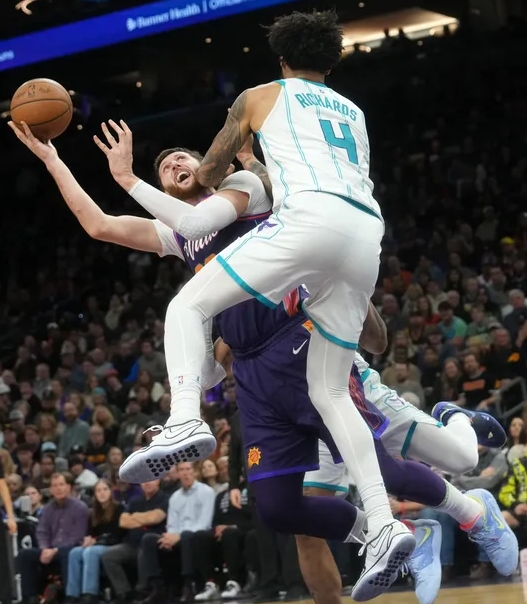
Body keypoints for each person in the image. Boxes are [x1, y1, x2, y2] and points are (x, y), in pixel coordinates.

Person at [11, 122, 407, 598]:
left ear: (209, 165)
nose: (173, 164)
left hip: (301, 339)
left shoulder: (244, 191)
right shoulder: (178, 233)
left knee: (388, 466)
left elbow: (223, 211)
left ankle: (435, 512)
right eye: (163, 167)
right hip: (255, 371)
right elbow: (99, 225)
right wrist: (53, 159)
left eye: (182, 157)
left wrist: (131, 177)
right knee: (286, 514)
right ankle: (375, 530)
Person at [117, 15, 403, 581]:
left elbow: (207, 172)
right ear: (331, 61)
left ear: (281, 58)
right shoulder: (354, 111)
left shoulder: (258, 96)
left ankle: (185, 418)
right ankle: (383, 522)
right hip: (365, 233)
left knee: (186, 306)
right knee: (331, 393)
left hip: (307, 223)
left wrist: (230, 150)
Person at [16, 472, 89, 603]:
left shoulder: (80, 508)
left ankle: (69, 596)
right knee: (25, 554)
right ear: (50, 490)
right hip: (49, 550)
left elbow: (77, 536)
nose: (58, 488)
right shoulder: (47, 508)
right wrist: (44, 548)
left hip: (70, 549)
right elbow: (42, 531)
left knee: (68, 552)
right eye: (54, 486)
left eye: (61, 484)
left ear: (69, 487)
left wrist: (55, 550)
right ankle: (29, 597)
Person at [66, 479, 124, 604]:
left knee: (90, 552)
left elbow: (117, 534)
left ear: (111, 491)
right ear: (95, 494)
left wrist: (96, 541)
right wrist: (88, 539)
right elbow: (91, 533)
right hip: (98, 544)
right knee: (75, 552)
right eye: (98, 490)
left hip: (113, 544)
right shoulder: (93, 512)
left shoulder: (119, 508)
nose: (102, 493)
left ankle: (90, 593)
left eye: (105, 489)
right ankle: (72, 594)